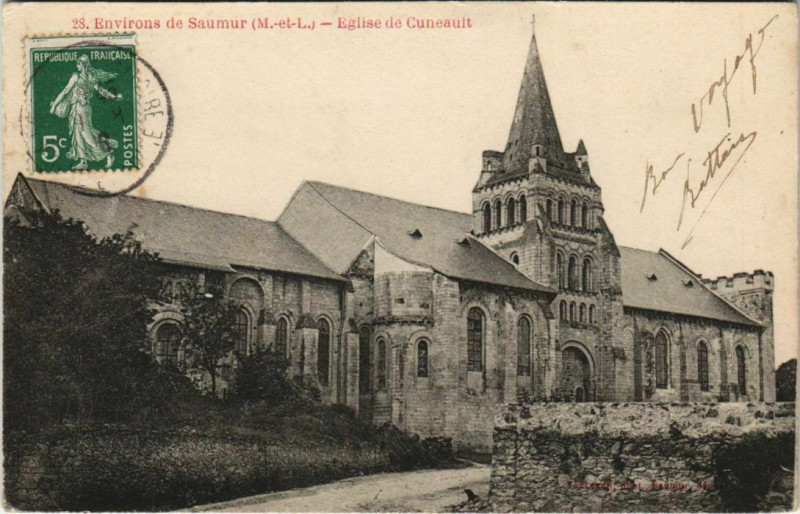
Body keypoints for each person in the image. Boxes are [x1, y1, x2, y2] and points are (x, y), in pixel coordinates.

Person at [49, 54, 123, 169]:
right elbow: (101, 91)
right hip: (78, 108)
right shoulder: (90, 78)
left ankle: (107, 153)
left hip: (82, 109)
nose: (77, 66)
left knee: (86, 134)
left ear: (83, 65)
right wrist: (114, 97)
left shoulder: (77, 77)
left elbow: (65, 91)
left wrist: (54, 106)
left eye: (78, 64)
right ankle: (83, 161)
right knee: (78, 133)